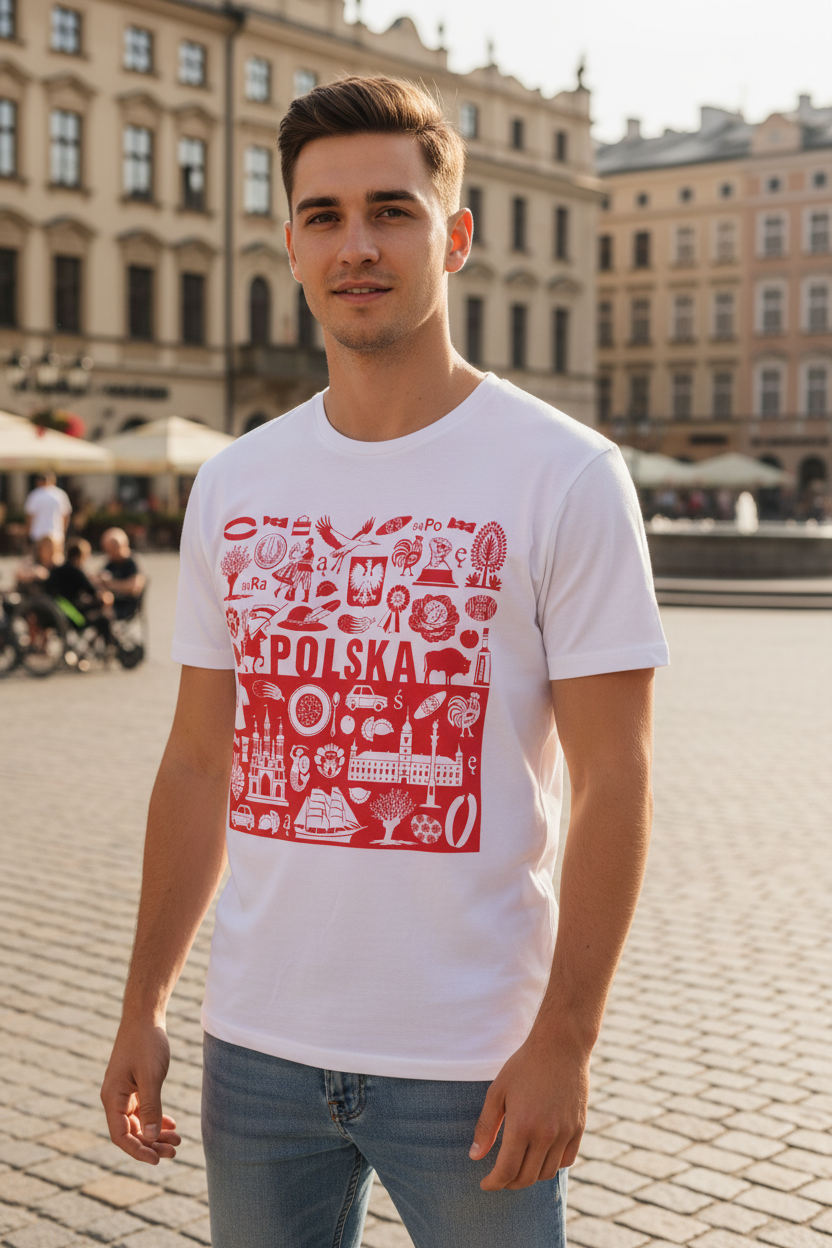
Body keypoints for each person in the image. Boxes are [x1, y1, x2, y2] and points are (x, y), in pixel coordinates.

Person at [101, 76, 669, 1248]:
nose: (356, 246)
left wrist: (565, 1035)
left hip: (474, 1061)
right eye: (323, 217)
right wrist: (143, 1004)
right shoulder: (236, 483)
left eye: (391, 212)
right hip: (255, 1054)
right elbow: (202, 763)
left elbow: (616, 778)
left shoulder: (563, 472)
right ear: (292, 245)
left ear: (452, 236)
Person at [45, 538, 114, 636]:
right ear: (80, 555)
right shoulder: (76, 572)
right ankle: (110, 647)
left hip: (57, 612)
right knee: (105, 617)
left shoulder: (57, 570)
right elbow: (93, 591)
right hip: (73, 616)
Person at [97, 528, 145, 618]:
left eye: (110, 549)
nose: (108, 553)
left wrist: (111, 584)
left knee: (102, 616)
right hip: (111, 603)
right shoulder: (111, 562)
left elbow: (134, 587)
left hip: (126, 605)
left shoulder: (132, 562)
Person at [24, 472, 71, 561]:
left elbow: (30, 517)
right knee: (57, 559)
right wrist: (63, 531)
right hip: (56, 532)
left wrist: (28, 532)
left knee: (38, 559)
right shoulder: (60, 494)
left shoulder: (35, 494)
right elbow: (65, 515)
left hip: (38, 533)